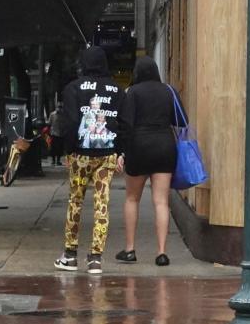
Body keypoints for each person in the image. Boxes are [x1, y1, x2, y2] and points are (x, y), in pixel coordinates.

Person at [54, 46, 124, 274]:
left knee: (75, 201)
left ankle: (70, 255)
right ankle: (96, 258)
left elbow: (71, 121)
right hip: (107, 153)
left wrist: (68, 150)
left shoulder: (73, 88)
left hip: (80, 154)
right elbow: (123, 123)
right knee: (101, 203)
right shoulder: (117, 90)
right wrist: (120, 151)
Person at [115, 57, 185, 267]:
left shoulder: (132, 93)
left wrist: (121, 152)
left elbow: (125, 125)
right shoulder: (168, 91)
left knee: (132, 199)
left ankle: (130, 249)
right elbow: (182, 121)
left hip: (139, 147)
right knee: (161, 201)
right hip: (164, 146)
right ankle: (162, 252)